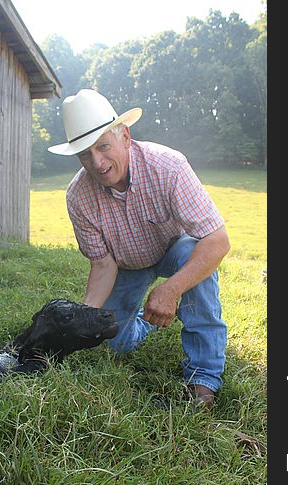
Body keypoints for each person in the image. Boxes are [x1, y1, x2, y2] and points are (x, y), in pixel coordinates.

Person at [48, 89, 230, 409]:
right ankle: (147, 322)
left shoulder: (168, 166)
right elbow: (103, 265)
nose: (97, 163)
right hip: (127, 264)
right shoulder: (78, 196)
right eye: (85, 154)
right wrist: (83, 316)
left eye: (103, 146)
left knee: (193, 256)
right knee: (115, 342)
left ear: (125, 136)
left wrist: (171, 289)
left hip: (175, 248)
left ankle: (203, 380)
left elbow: (217, 241)